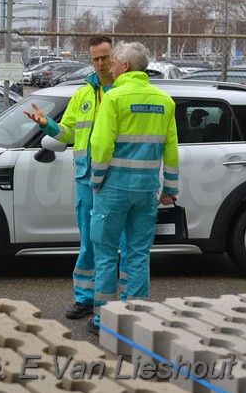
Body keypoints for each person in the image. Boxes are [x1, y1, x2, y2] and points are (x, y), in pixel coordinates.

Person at [25, 35, 126, 320]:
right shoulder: (83, 95)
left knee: (114, 244)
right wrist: (48, 125)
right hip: (87, 178)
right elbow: (68, 133)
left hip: (116, 178)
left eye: (105, 57)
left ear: (114, 57)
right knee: (89, 242)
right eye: (95, 58)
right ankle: (85, 298)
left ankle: (111, 304)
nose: (101, 63)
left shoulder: (123, 91)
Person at [87, 41, 179, 335]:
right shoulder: (165, 100)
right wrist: (170, 187)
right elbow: (172, 149)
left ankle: (104, 318)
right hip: (146, 190)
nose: (110, 68)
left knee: (105, 253)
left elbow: (101, 145)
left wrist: (96, 181)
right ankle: (136, 317)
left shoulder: (114, 98)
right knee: (138, 254)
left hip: (113, 188)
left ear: (125, 66)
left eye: (113, 63)